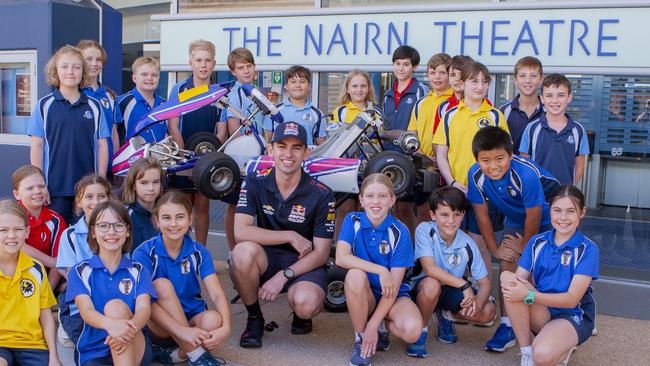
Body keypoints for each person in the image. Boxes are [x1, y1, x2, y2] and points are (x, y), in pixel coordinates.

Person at [230, 122, 336, 348]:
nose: (288, 154)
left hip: (304, 261)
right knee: (241, 253)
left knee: (306, 304)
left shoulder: (322, 193)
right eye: (282, 146)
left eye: (296, 147)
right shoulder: (254, 181)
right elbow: (241, 232)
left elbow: (322, 253)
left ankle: (300, 315)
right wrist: (290, 235)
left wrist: (284, 276)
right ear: (270, 150)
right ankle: (254, 318)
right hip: (267, 256)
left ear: (306, 152)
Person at [466, 126, 560, 353]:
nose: (493, 166)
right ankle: (508, 325)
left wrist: (525, 248)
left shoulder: (525, 173)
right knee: (508, 259)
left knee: (545, 265)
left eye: (500, 158)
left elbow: (535, 216)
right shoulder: (475, 175)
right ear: (477, 159)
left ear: (511, 154)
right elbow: (482, 216)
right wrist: (495, 249)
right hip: (518, 217)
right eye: (485, 160)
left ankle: (562, 319)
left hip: (550, 216)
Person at [502, 185, 598, 366]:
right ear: (550, 210)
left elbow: (571, 300)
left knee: (543, 356)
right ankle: (526, 352)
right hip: (541, 311)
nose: (563, 218)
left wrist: (528, 295)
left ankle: (558, 345)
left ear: (582, 212)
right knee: (508, 278)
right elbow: (518, 280)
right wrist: (519, 289)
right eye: (557, 210)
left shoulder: (588, 249)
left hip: (572, 315)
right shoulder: (537, 242)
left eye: (570, 211)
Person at [133, 191, 230, 366]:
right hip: (161, 325)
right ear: (157, 220)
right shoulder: (144, 252)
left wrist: (226, 327)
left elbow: (215, 292)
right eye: (167, 218)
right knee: (161, 285)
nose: (174, 224)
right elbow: (144, 300)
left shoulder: (199, 251)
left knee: (214, 320)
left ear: (190, 218)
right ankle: (197, 355)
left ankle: (178, 354)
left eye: (180, 217)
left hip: (192, 317)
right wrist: (182, 331)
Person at [335, 173, 422, 366]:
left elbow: (393, 288)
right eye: (370, 196)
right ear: (361, 199)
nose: (376, 202)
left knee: (412, 330)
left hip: (391, 295)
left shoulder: (400, 232)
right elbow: (341, 258)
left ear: (392, 200)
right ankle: (360, 339)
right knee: (355, 275)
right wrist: (381, 270)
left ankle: (380, 327)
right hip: (364, 293)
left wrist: (373, 326)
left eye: (382, 196)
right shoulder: (353, 220)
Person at [407, 186, 496, 358]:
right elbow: (429, 269)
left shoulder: (467, 243)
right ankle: (421, 331)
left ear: (463, 215)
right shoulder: (425, 230)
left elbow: (485, 283)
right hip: (421, 286)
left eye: (456, 214)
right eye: (444, 214)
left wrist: (476, 305)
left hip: (450, 288)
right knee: (432, 285)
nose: (451, 221)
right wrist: (464, 285)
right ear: (433, 215)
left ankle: (445, 314)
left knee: (488, 311)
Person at [66, 200, 156, 366]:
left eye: (118, 226)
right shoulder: (80, 271)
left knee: (115, 306)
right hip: (95, 350)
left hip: (133, 341)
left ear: (128, 231)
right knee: (112, 308)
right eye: (104, 226)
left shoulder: (138, 270)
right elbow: (86, 311)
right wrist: (113, 326)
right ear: (93, 232)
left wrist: (126, 331)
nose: (111, 232)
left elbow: (144, 309)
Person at [28, 45, 110, 223]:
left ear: (83, 72)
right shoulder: (44, 106)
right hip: (55, 188)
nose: (70, 72)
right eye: (64, 66)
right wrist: (39, 185)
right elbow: (37, 145)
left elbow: (102, 144)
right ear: (56, 71)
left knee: (88, 237)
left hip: (88, 190)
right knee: (57, 239)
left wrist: (101, 181)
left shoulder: (95, 106)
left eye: (76, 67)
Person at [168, 40, 221, 246]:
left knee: (202, 206)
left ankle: (200, 252)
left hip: (207, 157)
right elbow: (173, 126)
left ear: (214, 63)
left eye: (207, 60)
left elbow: (221, 129)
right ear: (190, 62)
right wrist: (184, 157)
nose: (203, 65)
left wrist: (211, 158)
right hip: (183, 158)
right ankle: (181, 252)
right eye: (198, 60)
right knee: (183, 208)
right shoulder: (179, 89)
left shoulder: (218, 91)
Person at [0, 199, 62, 366]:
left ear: (27, 232)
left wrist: (54, 356)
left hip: (32, 344)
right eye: (3, 230)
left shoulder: (36, 268)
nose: (11, 236)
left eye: (18, 229)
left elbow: (45, 314)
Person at [56, 175, 113, 347]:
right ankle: (65, 322)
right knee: (94, 343)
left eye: (101, 196)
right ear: (79, 202)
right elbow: (71, 276)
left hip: (112, 298)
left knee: (119, 339)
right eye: (89, 196)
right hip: (80, 302)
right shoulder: (70, 235)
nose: (95, 201)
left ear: (109, 199)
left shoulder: (117, 232)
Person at [381, 45, 429, 238]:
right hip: (391, 160)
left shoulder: (421, 92)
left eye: (406, 64)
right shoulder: (387, 95)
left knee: (417, 211)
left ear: (414, 67)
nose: (401, 68)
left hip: (413, 159)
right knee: (397, 209)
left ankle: (419, 256)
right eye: (397, 64)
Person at [331, 69, 382, 239]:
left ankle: (363, 249)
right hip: (344, 167)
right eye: (354, 86)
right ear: (347, 88)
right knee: (344, 209)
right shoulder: (340, 111)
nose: (359, 90)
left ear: (369, 88)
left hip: (368, 168)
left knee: (365, 209)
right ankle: (339, 250)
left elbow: (378, 141)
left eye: (363, 86)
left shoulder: (376, 112)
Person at [220, 47, 262, 251]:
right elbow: (233, 129)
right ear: (233, 71)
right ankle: (233, 250)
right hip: (240, 158)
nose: (246, 71)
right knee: (235, 205)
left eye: (249, 66)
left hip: (260, 157)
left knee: (258, 207)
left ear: (255, 68)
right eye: (241, 67)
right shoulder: (234, 93)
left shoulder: (259, 92)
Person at [406, 52, 453, 225]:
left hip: (448, 168)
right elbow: (412, 135)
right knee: (423, 214)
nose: (437, 77)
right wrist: (421, 154)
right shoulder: (421, 103)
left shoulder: (455, 102)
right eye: (433, 73)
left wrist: (441, 159)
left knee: (447, 216)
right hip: (424, 167)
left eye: (442, 73)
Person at [519, 74, 590, 185]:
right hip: (538, 193)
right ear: (542, 98)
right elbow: (524, 165)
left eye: (561, 95)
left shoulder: (578, 130)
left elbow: (579, 168)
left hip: (564, 195)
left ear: (569, 97)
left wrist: (568, 191)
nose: (555, 100)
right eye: (549, 95)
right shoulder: (532, 128)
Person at [12, 164, 66, 289]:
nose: (37, 191)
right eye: (29, 188)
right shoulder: (10, 216)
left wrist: (47, 292)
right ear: (17, 194)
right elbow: (20, 246)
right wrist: (54, 263)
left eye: (41, 186)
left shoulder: (56, 220)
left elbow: (59, 258)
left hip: (43, 280)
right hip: (12, 277)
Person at [77, 39, 118, 176]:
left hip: (106, 167)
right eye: (89, 59)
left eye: (98, 59)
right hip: (82, 166)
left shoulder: (109, 95)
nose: (94, 64)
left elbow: (114, 132)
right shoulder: (75, 93)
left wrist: (115, 163)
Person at [262, 66, 327, 147]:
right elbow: (266, 144)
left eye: (302, 81)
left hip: (307, 158)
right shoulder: (274, 111)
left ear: (309, 86)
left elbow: (322, 147)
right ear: (286, 86)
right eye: (293, 81)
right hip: (280, 159)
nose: (298, 85)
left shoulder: (317, 114)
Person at [115, 56, 166, 144]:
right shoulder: (122, 102)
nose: (150, 78)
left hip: (160, 157)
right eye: (144, 74)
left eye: (154, 75)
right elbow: (113, 134)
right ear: (134, 78)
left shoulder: (164, 104)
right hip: (130, 156)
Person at [500, 56, 544, 153]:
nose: (528, 80)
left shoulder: (548, 111)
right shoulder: (503, 111)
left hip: (540, 168)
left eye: (533, 75)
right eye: (522, 76)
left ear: (541, 79)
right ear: (515, 80)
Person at [122, 158, 162, 252]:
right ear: (134, 185)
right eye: (144, 183)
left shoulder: (166, 210)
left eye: (156, 182)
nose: (151, 188)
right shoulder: (127, 215)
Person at [433, 55, 474, 135]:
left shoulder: (482, 103)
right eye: (453, 75)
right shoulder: (443, 107)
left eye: (462, 74)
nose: (457, 79)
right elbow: (437, 139)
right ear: (448, 78)